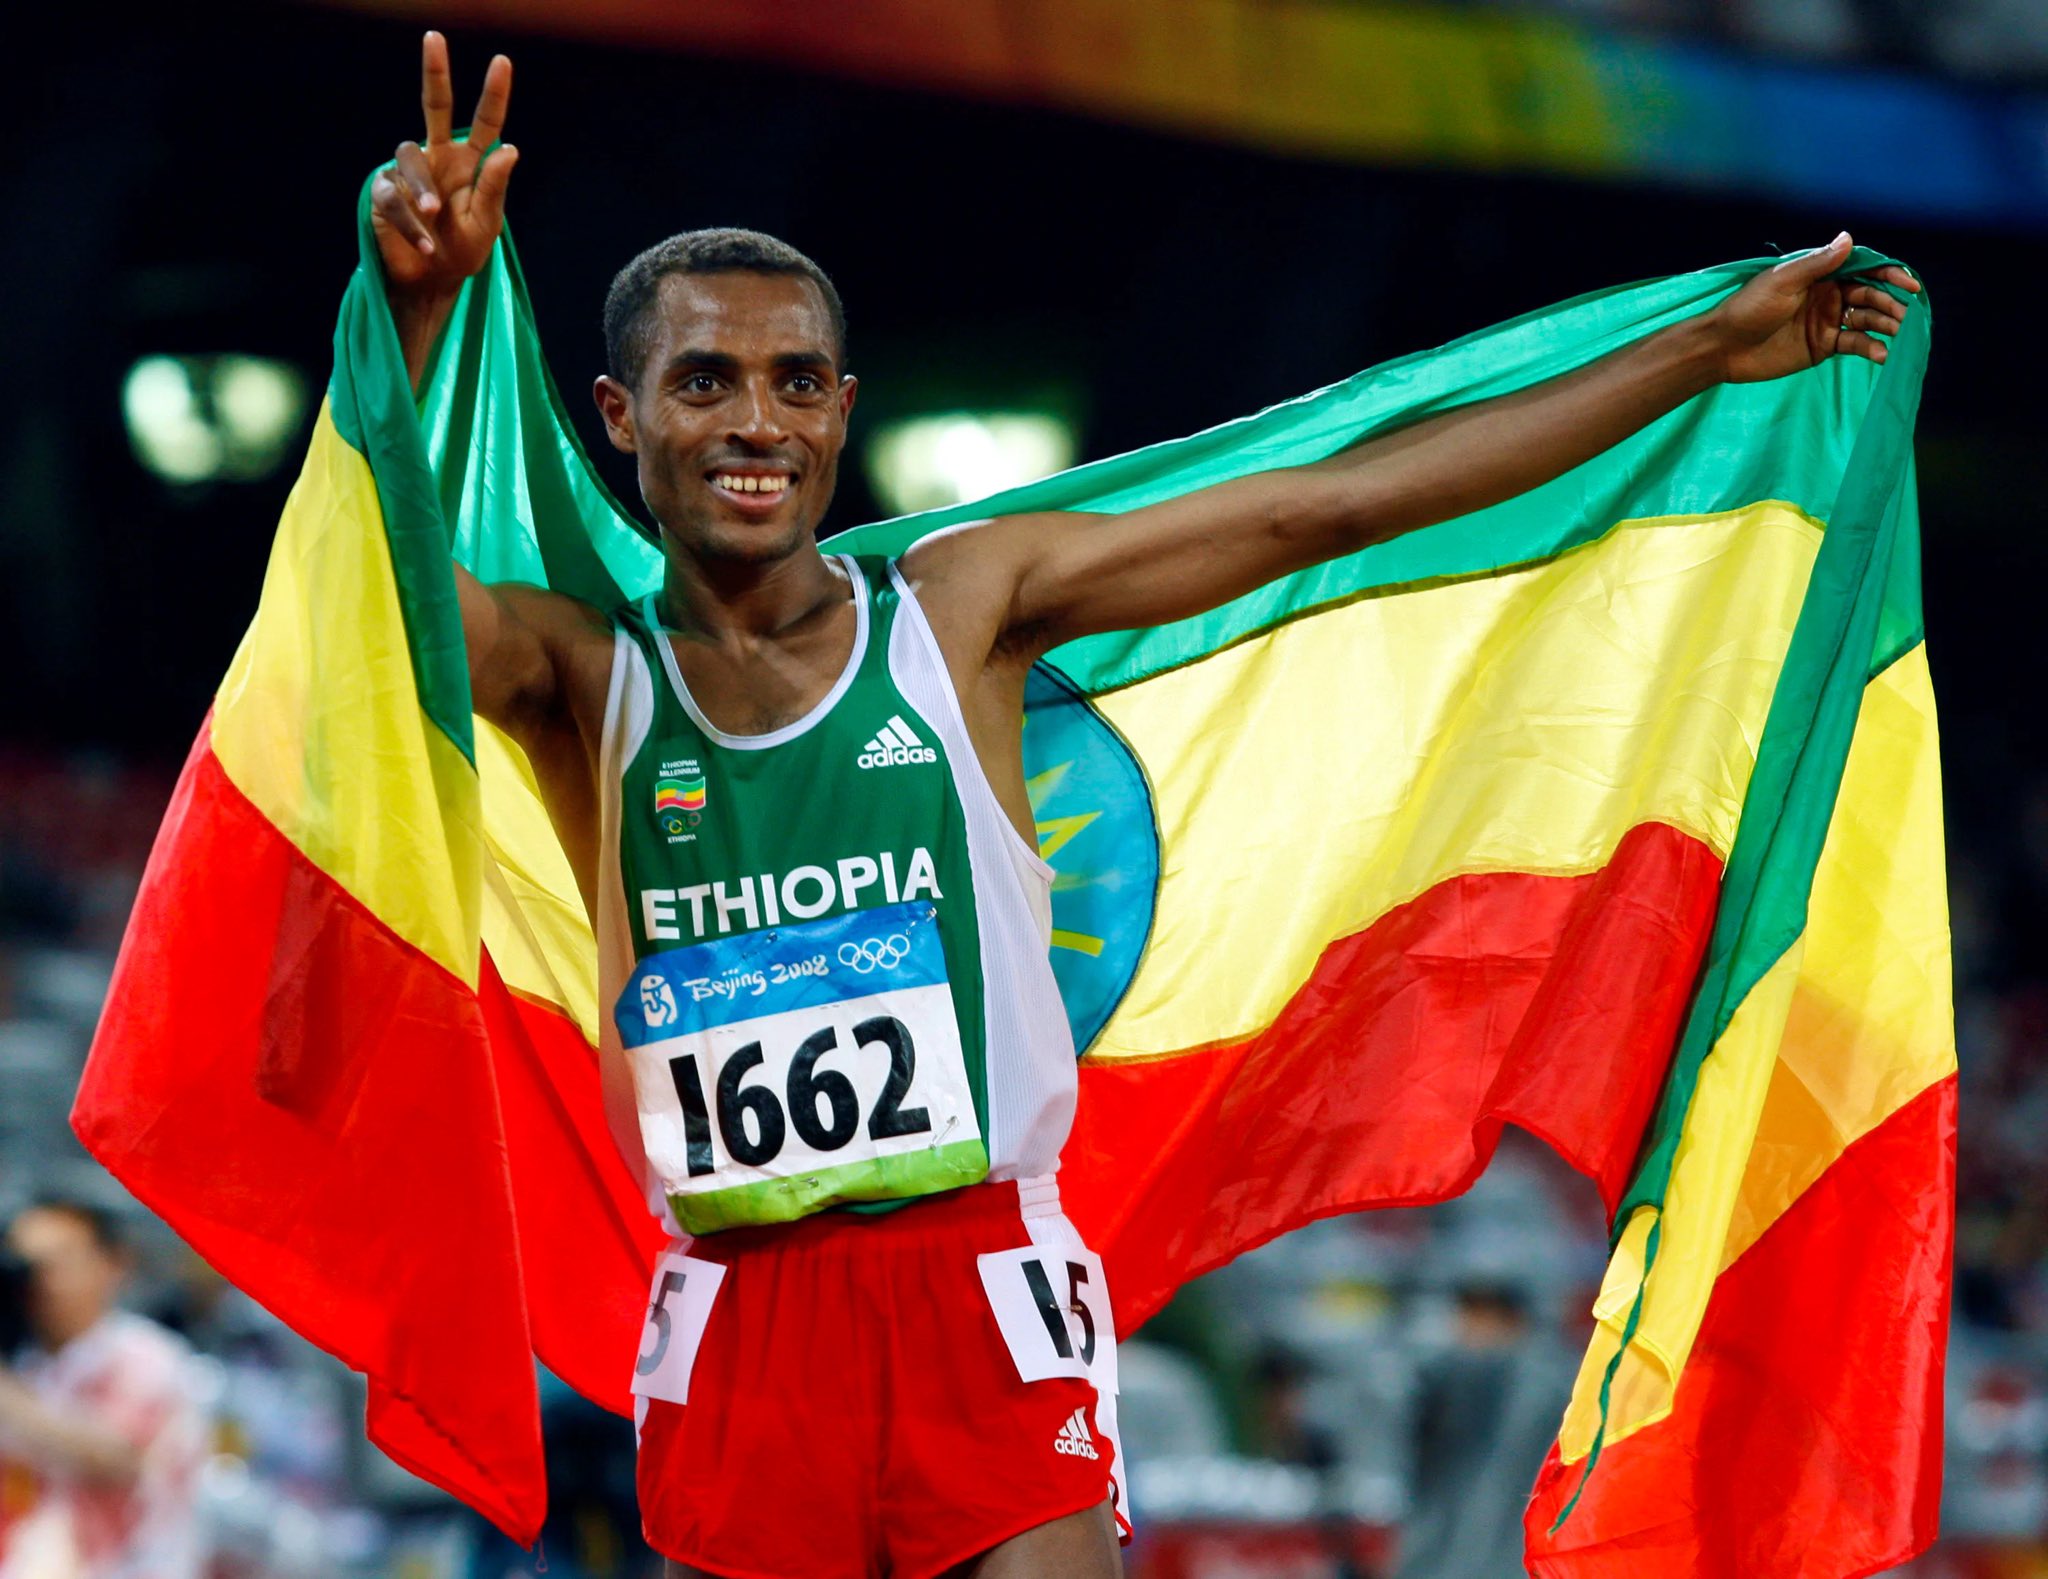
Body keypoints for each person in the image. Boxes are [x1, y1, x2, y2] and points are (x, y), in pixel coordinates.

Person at [364, 31, 1918, 1579]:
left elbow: (1335, 504)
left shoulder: (959, 605)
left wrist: (1697, 354)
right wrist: (413, 318)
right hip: (740, 1307)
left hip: (981, 1276)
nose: (753, 422)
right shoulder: (583, 670)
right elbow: (375, 607)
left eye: (794, 383)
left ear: (842, 409)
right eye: (702, 381)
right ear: (620, 412)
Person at [0, 1199, 208, 1579]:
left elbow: (114, 1457)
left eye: (58, 1259)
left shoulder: (144, 1356)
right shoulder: (27, 1360)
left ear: (113, 1264)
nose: (39, 1278)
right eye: (25, 1261)